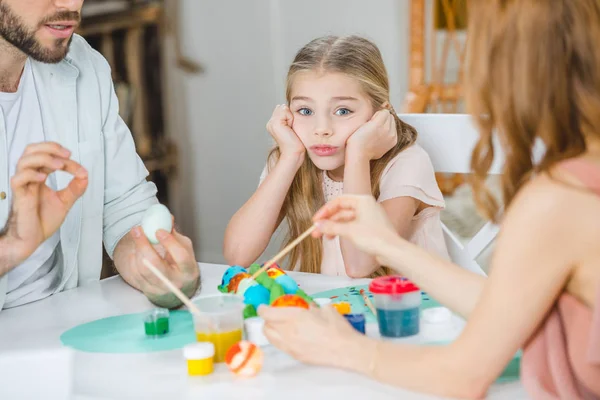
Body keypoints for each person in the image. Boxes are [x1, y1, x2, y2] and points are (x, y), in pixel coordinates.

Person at [259, 1, 600, 398]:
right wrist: (386, 242)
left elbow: (463, 377)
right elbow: (508, 307)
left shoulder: (559, 199)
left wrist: (342, 347)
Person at [0, 0, 199, 310]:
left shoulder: (85, 63)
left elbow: (124, 205)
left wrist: (155, 268)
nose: (70, 4)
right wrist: (10, 248)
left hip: (63, 327)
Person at [224, 35, 448, 278]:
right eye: (305, 110)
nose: (321, 129)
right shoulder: (293, 158)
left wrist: (358, 155)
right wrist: (289, 157)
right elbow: (238, 253)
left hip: (413, 312)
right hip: (332, 308)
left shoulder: (406, 164)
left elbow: (360, 265)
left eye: (343, 111)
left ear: (379, 115)